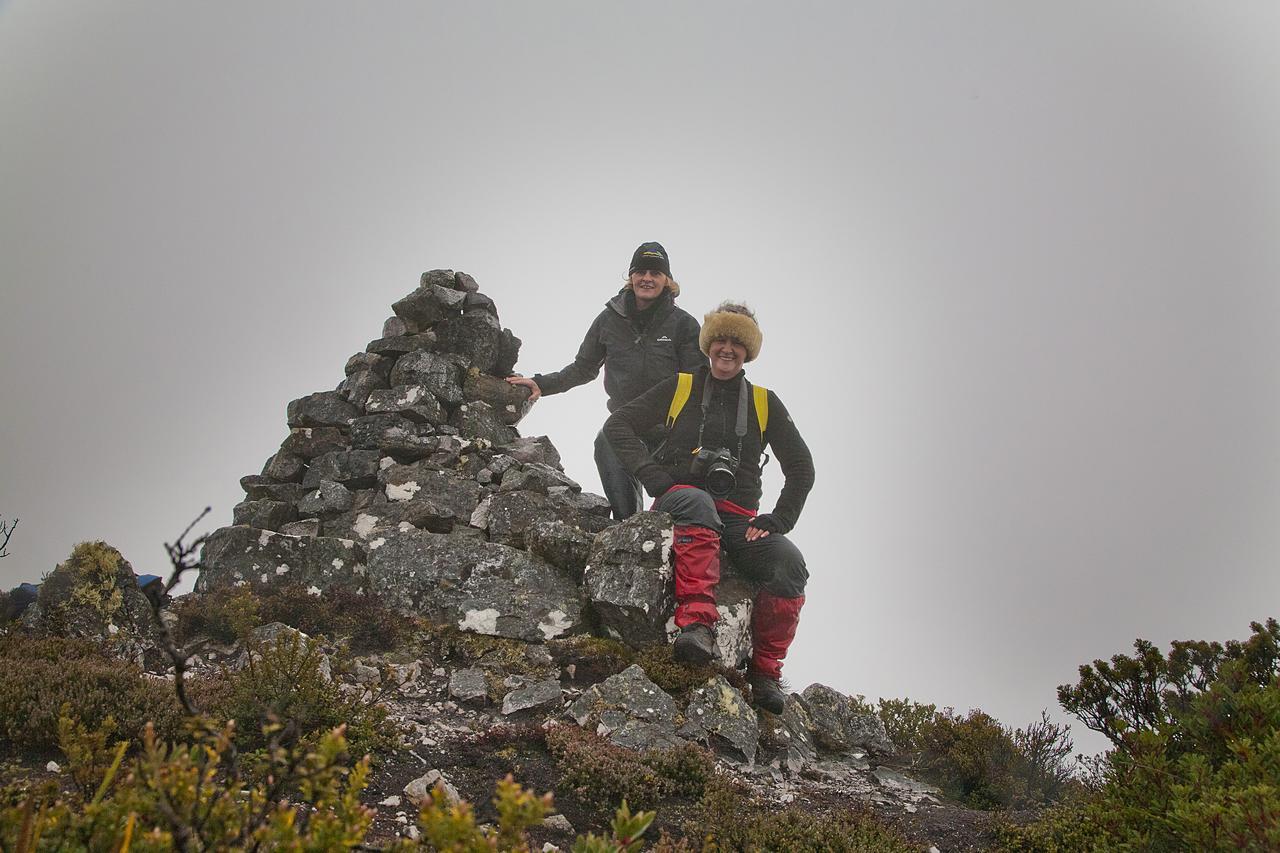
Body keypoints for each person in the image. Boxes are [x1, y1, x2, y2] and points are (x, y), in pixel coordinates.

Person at [603, 302, 814, 713]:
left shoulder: (764, 403)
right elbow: (617, 426)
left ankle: (766, 673)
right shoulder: (679, 386)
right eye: (720, 339)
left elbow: (802, 469)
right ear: (708, 344)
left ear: (748, 350)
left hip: (737, 519)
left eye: (738, 342)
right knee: (698, 501)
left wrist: (779, 519)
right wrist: (656, 478)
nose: (727, 348)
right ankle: (696, 626)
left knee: (789, 561)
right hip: (681, 500)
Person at [506, 242, 703, 519]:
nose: (647, 278)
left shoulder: (684, 324)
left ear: (666, 280)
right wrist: (542, 384)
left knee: (684, 510)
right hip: (626, 427)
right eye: (641, 271)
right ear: (631, 276)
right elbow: (583, 368)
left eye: (656, 273)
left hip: (672, 431)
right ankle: (630, 528)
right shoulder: (609, 320)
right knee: (606, 441)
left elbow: (699, 381)